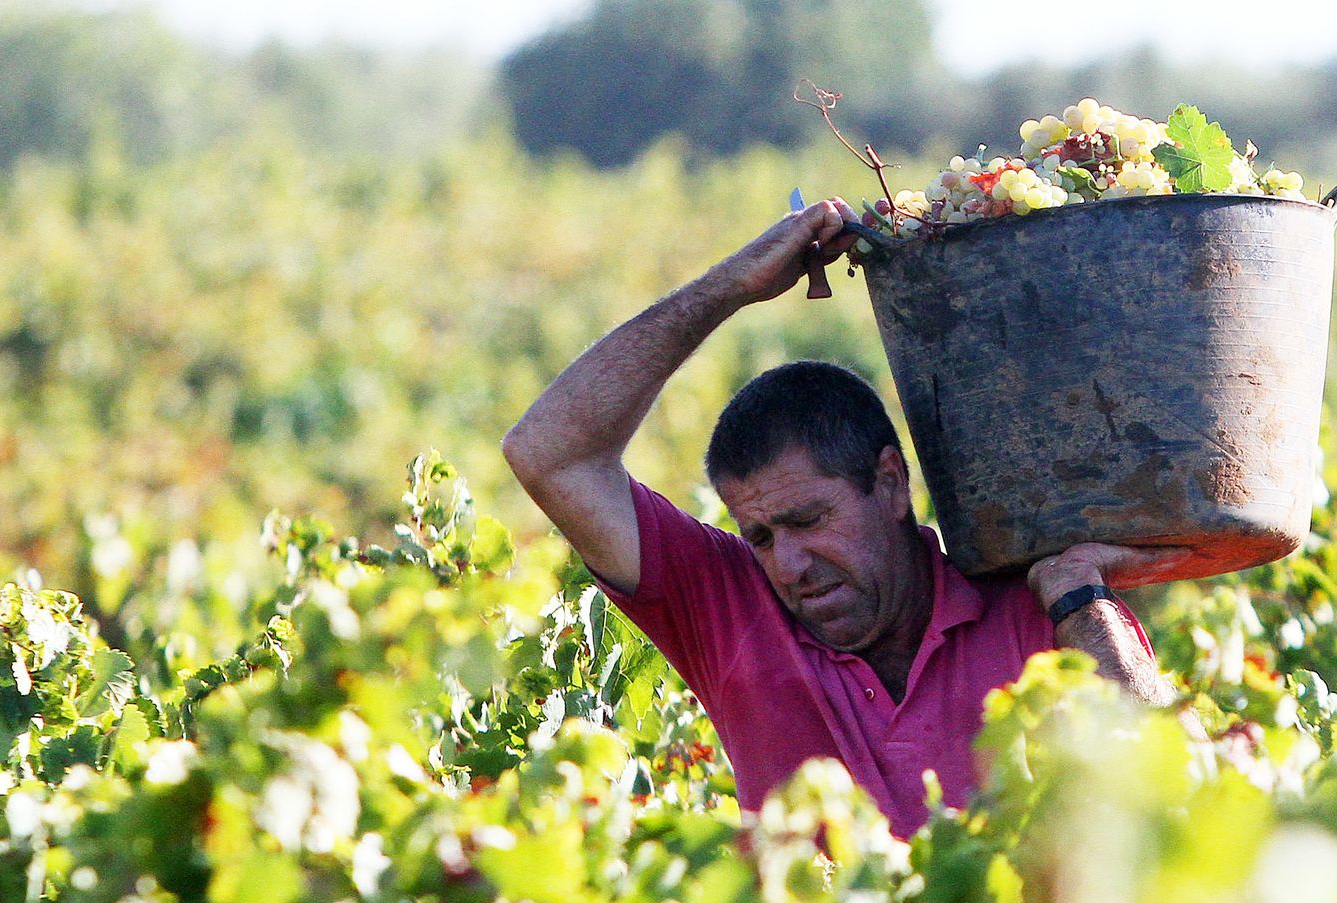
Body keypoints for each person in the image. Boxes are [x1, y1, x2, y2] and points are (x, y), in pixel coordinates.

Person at [502, 198, 1177, 838]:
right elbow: (547, 453)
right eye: (761, 536)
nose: (788, 565)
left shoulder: (1042, 607)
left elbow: (1158, 801)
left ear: (888, 482)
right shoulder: (732, 612)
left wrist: (1084, 602)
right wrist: (730, 288)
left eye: (810, 518)